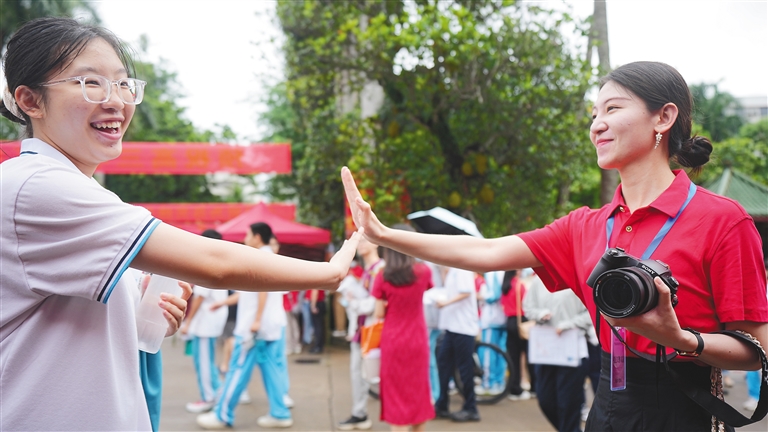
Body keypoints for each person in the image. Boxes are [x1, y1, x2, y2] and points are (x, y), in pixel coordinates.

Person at [341, 60, 768, 431]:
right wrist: (384, 234)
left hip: (685, 410)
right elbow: (486, 252)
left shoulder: (722, 220)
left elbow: (757, 350)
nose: (596, 125)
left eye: (613, 109)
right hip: (606, 405)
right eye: (594, 114)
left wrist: (681, 339)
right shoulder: (586, 225)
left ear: (664, 117)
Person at [0, 17, 360, 431]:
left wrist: (142, 313)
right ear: (30, 100)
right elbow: (215, 263)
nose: (116, 101)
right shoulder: (35, 186)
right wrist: (329, 272)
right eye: (90, 83)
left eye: (123, 84)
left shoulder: (74, 191)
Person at [197, 223, 294, 429]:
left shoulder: (259, 258)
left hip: (254, 327)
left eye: (248, 234)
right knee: (272, 371)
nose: (245, 238)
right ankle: (279, 413)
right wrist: (224, 303)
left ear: (257, 237)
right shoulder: (270, 257)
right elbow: (252, 292)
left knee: (238, 369)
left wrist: (256, 320)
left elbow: (262, 290)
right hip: (269, 326)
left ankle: (222, 415)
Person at [372, 224, 435, 431]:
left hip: (393, 340)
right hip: (417, 339)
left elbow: (378, 313)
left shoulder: (382, 276)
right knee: (418, 394)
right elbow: (426, 291)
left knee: (396, 396)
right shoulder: (424, 272)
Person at [523, 273, 591, 432]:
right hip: (545, 350)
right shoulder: (538, 280)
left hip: (572, 350)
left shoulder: (577, 278)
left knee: (568, 402)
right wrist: (540, 314)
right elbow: (528, 307)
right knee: (545, 399)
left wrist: (569, 324)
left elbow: (591, 312)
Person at [181, 230, 231, 414]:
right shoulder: (220, 262)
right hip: (212, 320)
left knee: (203, 362)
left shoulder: (206, 263)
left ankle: (208, 397)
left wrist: (187, 322)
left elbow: (199, 297)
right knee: (207, 360)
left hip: (205, 323)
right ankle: (216, 392)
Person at [338, 237, 385, 431]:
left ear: (376, 243)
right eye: (360, 241)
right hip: (364, 329)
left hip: (374, 330)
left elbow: (373, 305)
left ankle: (362, 414)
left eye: (366, 240)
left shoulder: (379, 269)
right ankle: (360, 413)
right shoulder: (368, 270)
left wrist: (353, 303)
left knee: (370, 374)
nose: (361, 244)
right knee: (362, 373)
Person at [434, 266, 481, 422]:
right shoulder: (451, 271)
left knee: (464, 369)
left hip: (464, 328)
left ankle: (471, 408)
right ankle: (442, 405)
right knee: (443, 364)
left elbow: (466, 292)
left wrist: (446, 303)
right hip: (451, 327)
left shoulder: (462, 269)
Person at [499, 270, 532, 400]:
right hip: (521, 321)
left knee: (513, 357)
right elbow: (527, 305)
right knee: (529, 355)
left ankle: (514, 388)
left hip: (509, 322)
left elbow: (503, 306)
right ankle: (533, 386)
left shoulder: (505, 286)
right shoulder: (519, 285)